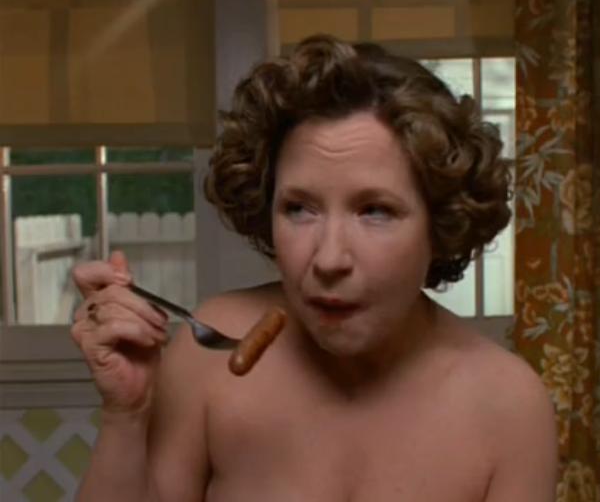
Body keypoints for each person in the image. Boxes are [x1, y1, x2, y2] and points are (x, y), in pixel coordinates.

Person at [70, 35, 558, 501]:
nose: (328, 259)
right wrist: (125, 415)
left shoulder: (508, 407)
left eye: (375, 211)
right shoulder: (210, 356)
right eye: (300, 209)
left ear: (441, 222)